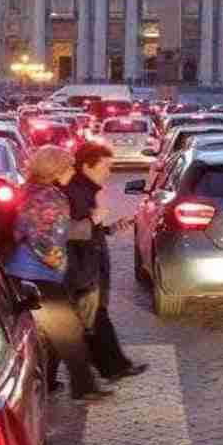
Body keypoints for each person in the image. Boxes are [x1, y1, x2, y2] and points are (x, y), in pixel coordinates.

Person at [4, 146, 112, 403]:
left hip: (22, 272)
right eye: (69, 166)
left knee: (53, 333)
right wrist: (59, 260)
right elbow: (47, 240)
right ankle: (83, 389)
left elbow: (52, 229)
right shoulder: (50, 197)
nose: (73, 170)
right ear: (55, 170)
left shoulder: (32, 191)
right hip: (38, 275)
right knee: (69, 332)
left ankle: (51, 383)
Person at [65, 143, 148, 381]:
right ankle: (110, 369)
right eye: (105, 166)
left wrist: (110, 228)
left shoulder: (86, 190)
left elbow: (90, 229)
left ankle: (111, 366)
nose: (109, 173)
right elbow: (68, 231)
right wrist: (95, 221)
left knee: (93, 319)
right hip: (83, 269)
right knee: (92, 319)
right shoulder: (75, 192)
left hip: (88, 266)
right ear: (86, 166)